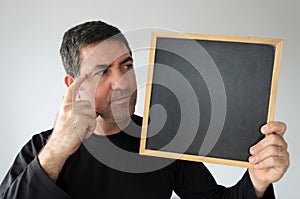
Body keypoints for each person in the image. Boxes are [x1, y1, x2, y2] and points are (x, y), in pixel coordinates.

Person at [0, 20, 289, 199]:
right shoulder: (41, 149)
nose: (122, 83)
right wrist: (57, 151)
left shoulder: (162, 140)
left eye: (126, 65)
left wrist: (258, 180)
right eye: (102, 71)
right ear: (73, 84)